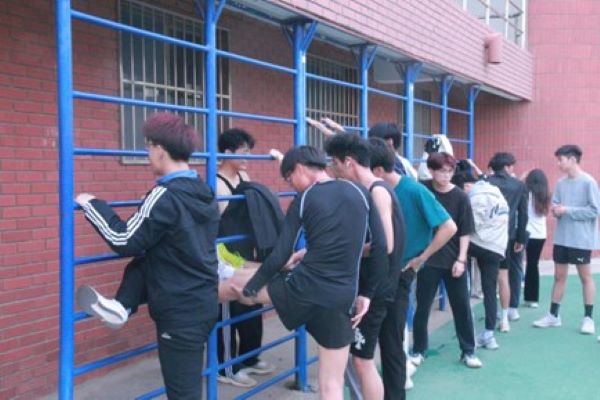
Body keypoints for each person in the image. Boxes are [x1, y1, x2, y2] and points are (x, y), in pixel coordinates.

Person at [75, 113, 220, 400]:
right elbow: (169, 239)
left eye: (148, 147)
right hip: (202, 300)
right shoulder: (204, 191)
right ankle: (122, 305)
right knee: (149, 256)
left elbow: (124, 240)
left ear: (160, 150)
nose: (147, 154)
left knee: (184, 395)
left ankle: (122, 306)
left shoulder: (164, 195)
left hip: (179, 310)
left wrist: (90, 204)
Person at [221, 145, 378, 400]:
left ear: (300, 169)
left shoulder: (305, 198)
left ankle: (189, 300)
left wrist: (252, 288)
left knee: (235, 285)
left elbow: (280, 254)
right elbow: (378, 246)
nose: (291, 184)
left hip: (305, 290)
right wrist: (367, 293)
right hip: (342, 296)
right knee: (332, 385)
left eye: (289, 177)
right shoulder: (359, 192)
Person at [368, 138, 456, 397]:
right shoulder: (375, 189)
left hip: (400, 273)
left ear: (378, 170)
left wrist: (421, 258)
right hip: (375, 272)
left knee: (392, 341)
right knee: (368, 344)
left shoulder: (413, 191)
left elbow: (449, 227)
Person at [324, 133, 405, 400]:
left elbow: (386, 245)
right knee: (365, 358)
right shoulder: (371, 189)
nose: (333, 169)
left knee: (362, 360)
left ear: (348, 162)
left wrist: (344, 249)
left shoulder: (377, 191)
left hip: (377, 288)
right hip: (379, 286)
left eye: (334, 163)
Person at [215, 128, 275, 387]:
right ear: (227, 153)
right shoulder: (215, 182)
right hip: (227, 256)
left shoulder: (244, 176)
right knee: (229, 310)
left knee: (252, 304)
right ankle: (226, 367)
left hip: (246, 250)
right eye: (243, 152)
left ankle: (250, 357)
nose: (247, 157)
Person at [412, 152, 482, 368]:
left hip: (453, 261)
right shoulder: (423, 190)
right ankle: (418, 350)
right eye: (442, 171)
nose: (446, 175)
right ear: (431, 171)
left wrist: (461, 260)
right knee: (422, 307)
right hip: (427, 259)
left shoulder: (460, 197)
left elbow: (465, 232)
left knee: (462, 307)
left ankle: (468, 351)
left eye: (450, 171)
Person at [533, 145, 600, 336]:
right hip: (562, 238)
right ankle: (553, 315)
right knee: (559, 277)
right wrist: (556, 210)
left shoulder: (589, 182)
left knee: (585, 278)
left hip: (581, 239)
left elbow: (594, 210)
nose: (558, 164)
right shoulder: (561, 183)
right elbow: (556, 204)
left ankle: (588, 318)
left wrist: (567, 210)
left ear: (572, 160)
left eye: (560, 160)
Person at [455, 169, 509, 350]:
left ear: (466, 186)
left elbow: (470, 226)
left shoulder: (476, 197)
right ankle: (489, 334)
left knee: (453, 244)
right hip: (497, 246)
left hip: (480, 244)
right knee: (490, 290)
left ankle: (473, 330)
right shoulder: (497, 193)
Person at [487, 152, 528, 332]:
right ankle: (505, 318)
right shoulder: (519, 185)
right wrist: (520, 238)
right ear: (506, 167)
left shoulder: (485, 183)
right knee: (504, 276)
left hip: (485, 236)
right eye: (512, 166)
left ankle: (491, 315)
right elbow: (523, 214)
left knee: (488, 278)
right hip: (506, 236)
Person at [523, 169, 551, 308]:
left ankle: (519, 295)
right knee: (533, 265)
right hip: (540, 235)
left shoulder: (526, 194)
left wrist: (521, 178)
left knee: (518, 264)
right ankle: (532, 298)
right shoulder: (546, 195)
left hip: (527, 233)